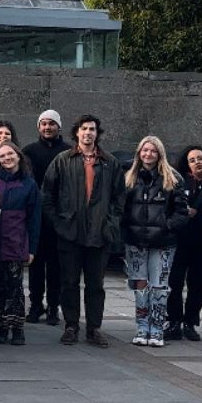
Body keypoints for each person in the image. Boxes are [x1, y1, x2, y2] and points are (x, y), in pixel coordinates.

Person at [41, 114, 123, 348]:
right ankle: (71, 325)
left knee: (96, 284)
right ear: (77, 132)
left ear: (98, 133)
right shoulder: (63, 160)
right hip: (70, 232)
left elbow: (119, 197)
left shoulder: (109, 162)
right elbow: (47, 195)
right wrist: (58, 223)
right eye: (84, 129)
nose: (88, 133)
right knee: (69, 282)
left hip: (99, 233)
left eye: (92, 129)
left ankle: (94, 328)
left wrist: (111, 222)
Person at [120, 135, 189, 347]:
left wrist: (168, 226)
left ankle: (157, 328)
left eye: (152, 151)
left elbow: (181, 211)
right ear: (139, 153)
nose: (148, 154)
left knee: (160, 286)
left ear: (160, 153)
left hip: (163, 242)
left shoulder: (172, 178)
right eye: (144, 150)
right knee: (139, 284)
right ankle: (142, 327)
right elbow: (121, 207)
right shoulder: (129, 177)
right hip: (136, 241)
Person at [0, 141, 39, 346]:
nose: (7, 158)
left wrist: (32, 249)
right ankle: (2, 326)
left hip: (16, 240)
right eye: (2, 156)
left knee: (15, 287)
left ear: (18, 156)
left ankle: (17, 327)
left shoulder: (29, 184)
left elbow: (34, 219)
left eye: (10, 154)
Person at [166, 145, 202, 341]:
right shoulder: (179, 182)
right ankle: (174, 321)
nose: (197, 162)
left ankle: (190, 322)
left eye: (200, 158)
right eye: (192, 159)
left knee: (197, 284)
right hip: (179, 240)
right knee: (174, 283)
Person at [22, 109, 68, 326]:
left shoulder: (69, 151)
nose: (47, 127)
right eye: (43, 124)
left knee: (57, 266)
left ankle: (53, 307)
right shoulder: (29, 151)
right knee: (36, 265)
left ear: (59, 126)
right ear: (38, 127)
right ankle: (36, 305)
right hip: (36, 216)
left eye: (51, 123)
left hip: (59, 217)